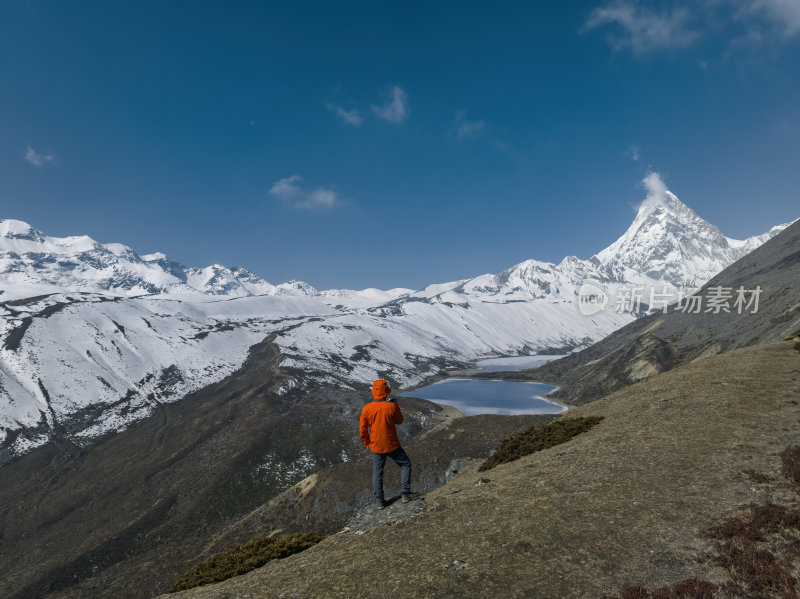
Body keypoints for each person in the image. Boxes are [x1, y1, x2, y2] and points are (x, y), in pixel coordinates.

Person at [359, 379, 419, 509]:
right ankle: (405, 494)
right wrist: (395, 406)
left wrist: (367, 444)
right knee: (405, 464)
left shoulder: (367, 409)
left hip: (375, 446)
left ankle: (380, 502)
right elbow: (400, 421)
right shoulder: (391, 406)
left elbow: (363, 430)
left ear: (374, 392)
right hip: (392, 445)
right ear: (386, 391)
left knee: (377, 473)